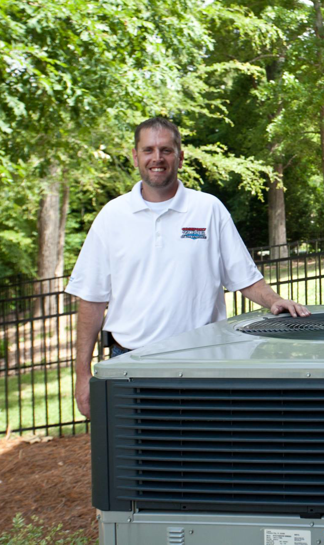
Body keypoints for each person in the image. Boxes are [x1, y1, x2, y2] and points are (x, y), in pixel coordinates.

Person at [66, 117, 309, 419]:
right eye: (149, 150)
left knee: (204, 459)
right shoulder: (111, 217)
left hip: (202, 362)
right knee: (139, 462)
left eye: (166, 150)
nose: (157, 158)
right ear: (135, 156)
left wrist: (274, 301)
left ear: (180, 157)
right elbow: (91, 298)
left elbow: (244, 277)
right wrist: (82, 374)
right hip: (130, 363)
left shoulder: (208, 209)